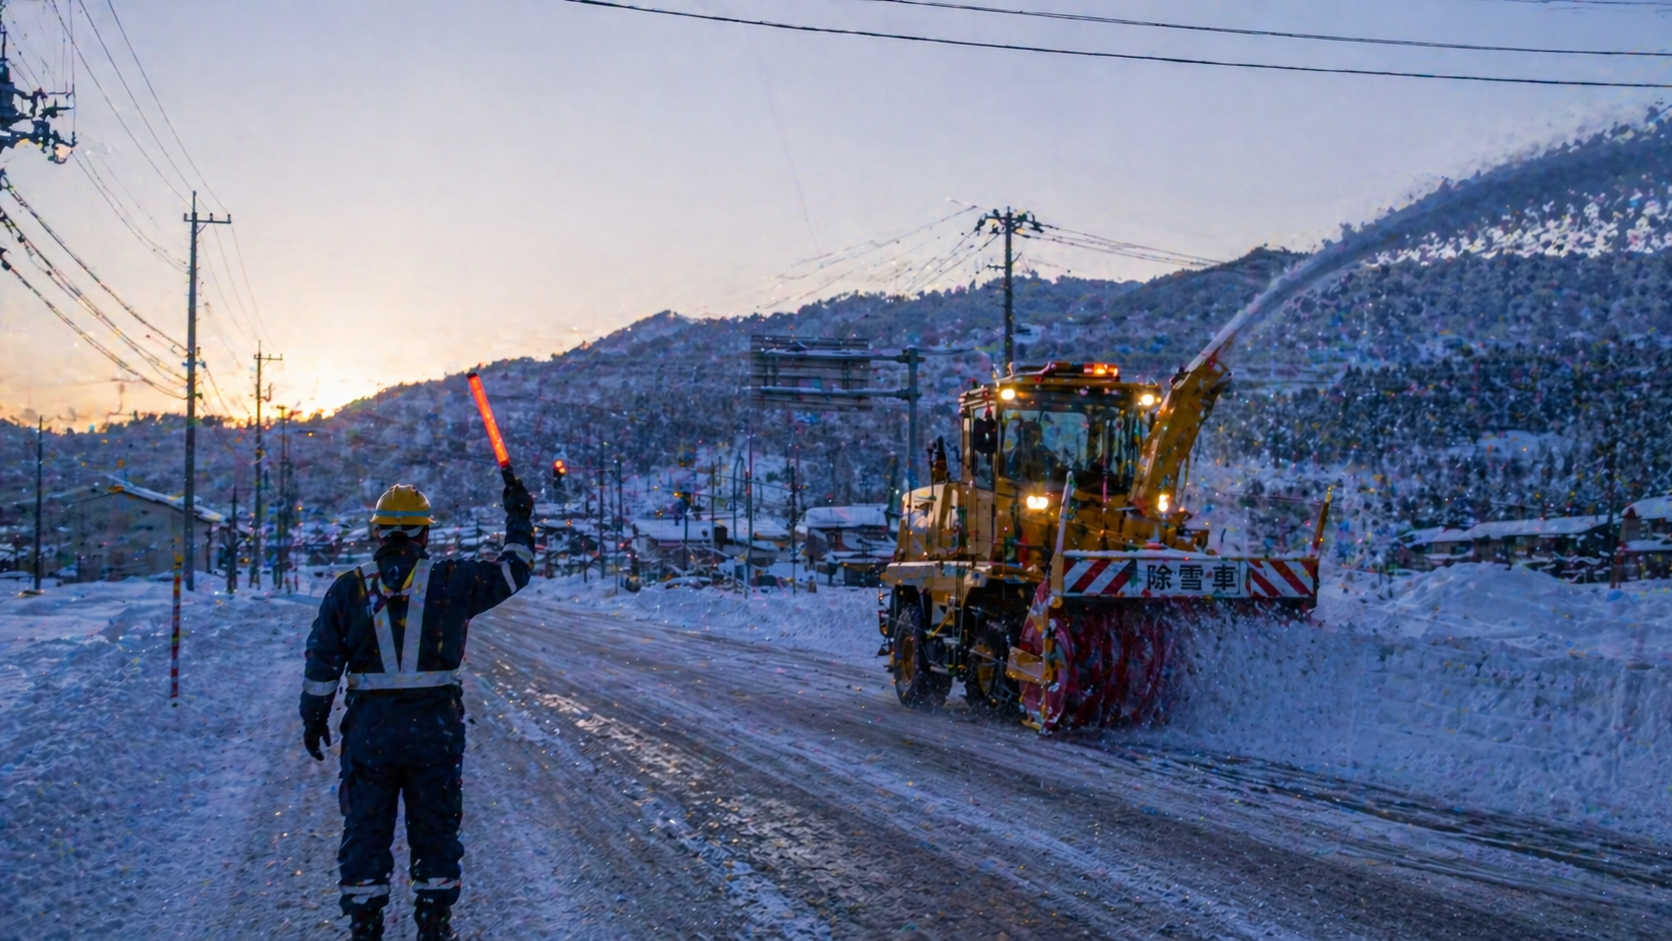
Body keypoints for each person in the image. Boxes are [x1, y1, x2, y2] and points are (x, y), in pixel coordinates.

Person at [300, 478, 536, 941]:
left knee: (366, 826)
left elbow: (322, 662)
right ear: (425, 533)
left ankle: (365, 923)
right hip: (435, 729)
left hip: (370, 732)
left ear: (379, 533)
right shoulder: (453, 580)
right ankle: (434, 920)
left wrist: (314, 717)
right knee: (435, 825)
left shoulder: (348, 589)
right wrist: (519, 517)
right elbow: (515, 570)